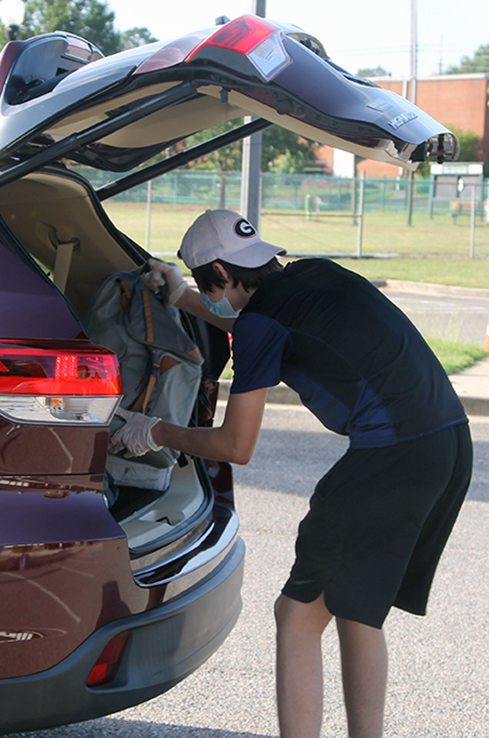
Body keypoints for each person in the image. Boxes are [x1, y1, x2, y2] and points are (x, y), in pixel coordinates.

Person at [110, 209, 473, 738]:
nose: (212, 295)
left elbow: (236, 446)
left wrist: (155, 432)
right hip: (447, 445)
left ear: (220, 272)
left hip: (390, 460)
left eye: (208, 285)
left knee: (297, 614)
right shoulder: (316, 276)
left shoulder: (261, 325)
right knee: (356, 611)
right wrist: (184, 297)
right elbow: (262, 327)